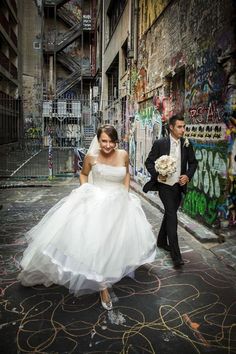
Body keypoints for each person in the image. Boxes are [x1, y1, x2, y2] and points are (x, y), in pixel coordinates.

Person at [18, 124, 157, 310]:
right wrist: (86, 190)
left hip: (120, 203)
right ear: (98, 141)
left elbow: (126, 175)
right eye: (103, 141)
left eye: (111, 141)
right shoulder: (91, 157)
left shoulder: (123, 155)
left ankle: (110, 272)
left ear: (116, 141)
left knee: (114, 243)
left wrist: (125, 192)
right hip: (97, 202)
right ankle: (103, 287)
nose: (107, 145)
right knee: (97, 245)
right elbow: (84, 175)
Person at [143, 115, 198, 268]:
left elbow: (193, 163)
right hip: (164, 185)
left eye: (184, 126)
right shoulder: (160, 143)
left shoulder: (187, 144)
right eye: (180, 127)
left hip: (178, 186)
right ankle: (176, 256)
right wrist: (157, 173)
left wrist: (187, 176)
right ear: (172, 127)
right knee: (172, 217)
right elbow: (149, 162)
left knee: (169, 213)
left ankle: (161, 241)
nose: (183, 129)